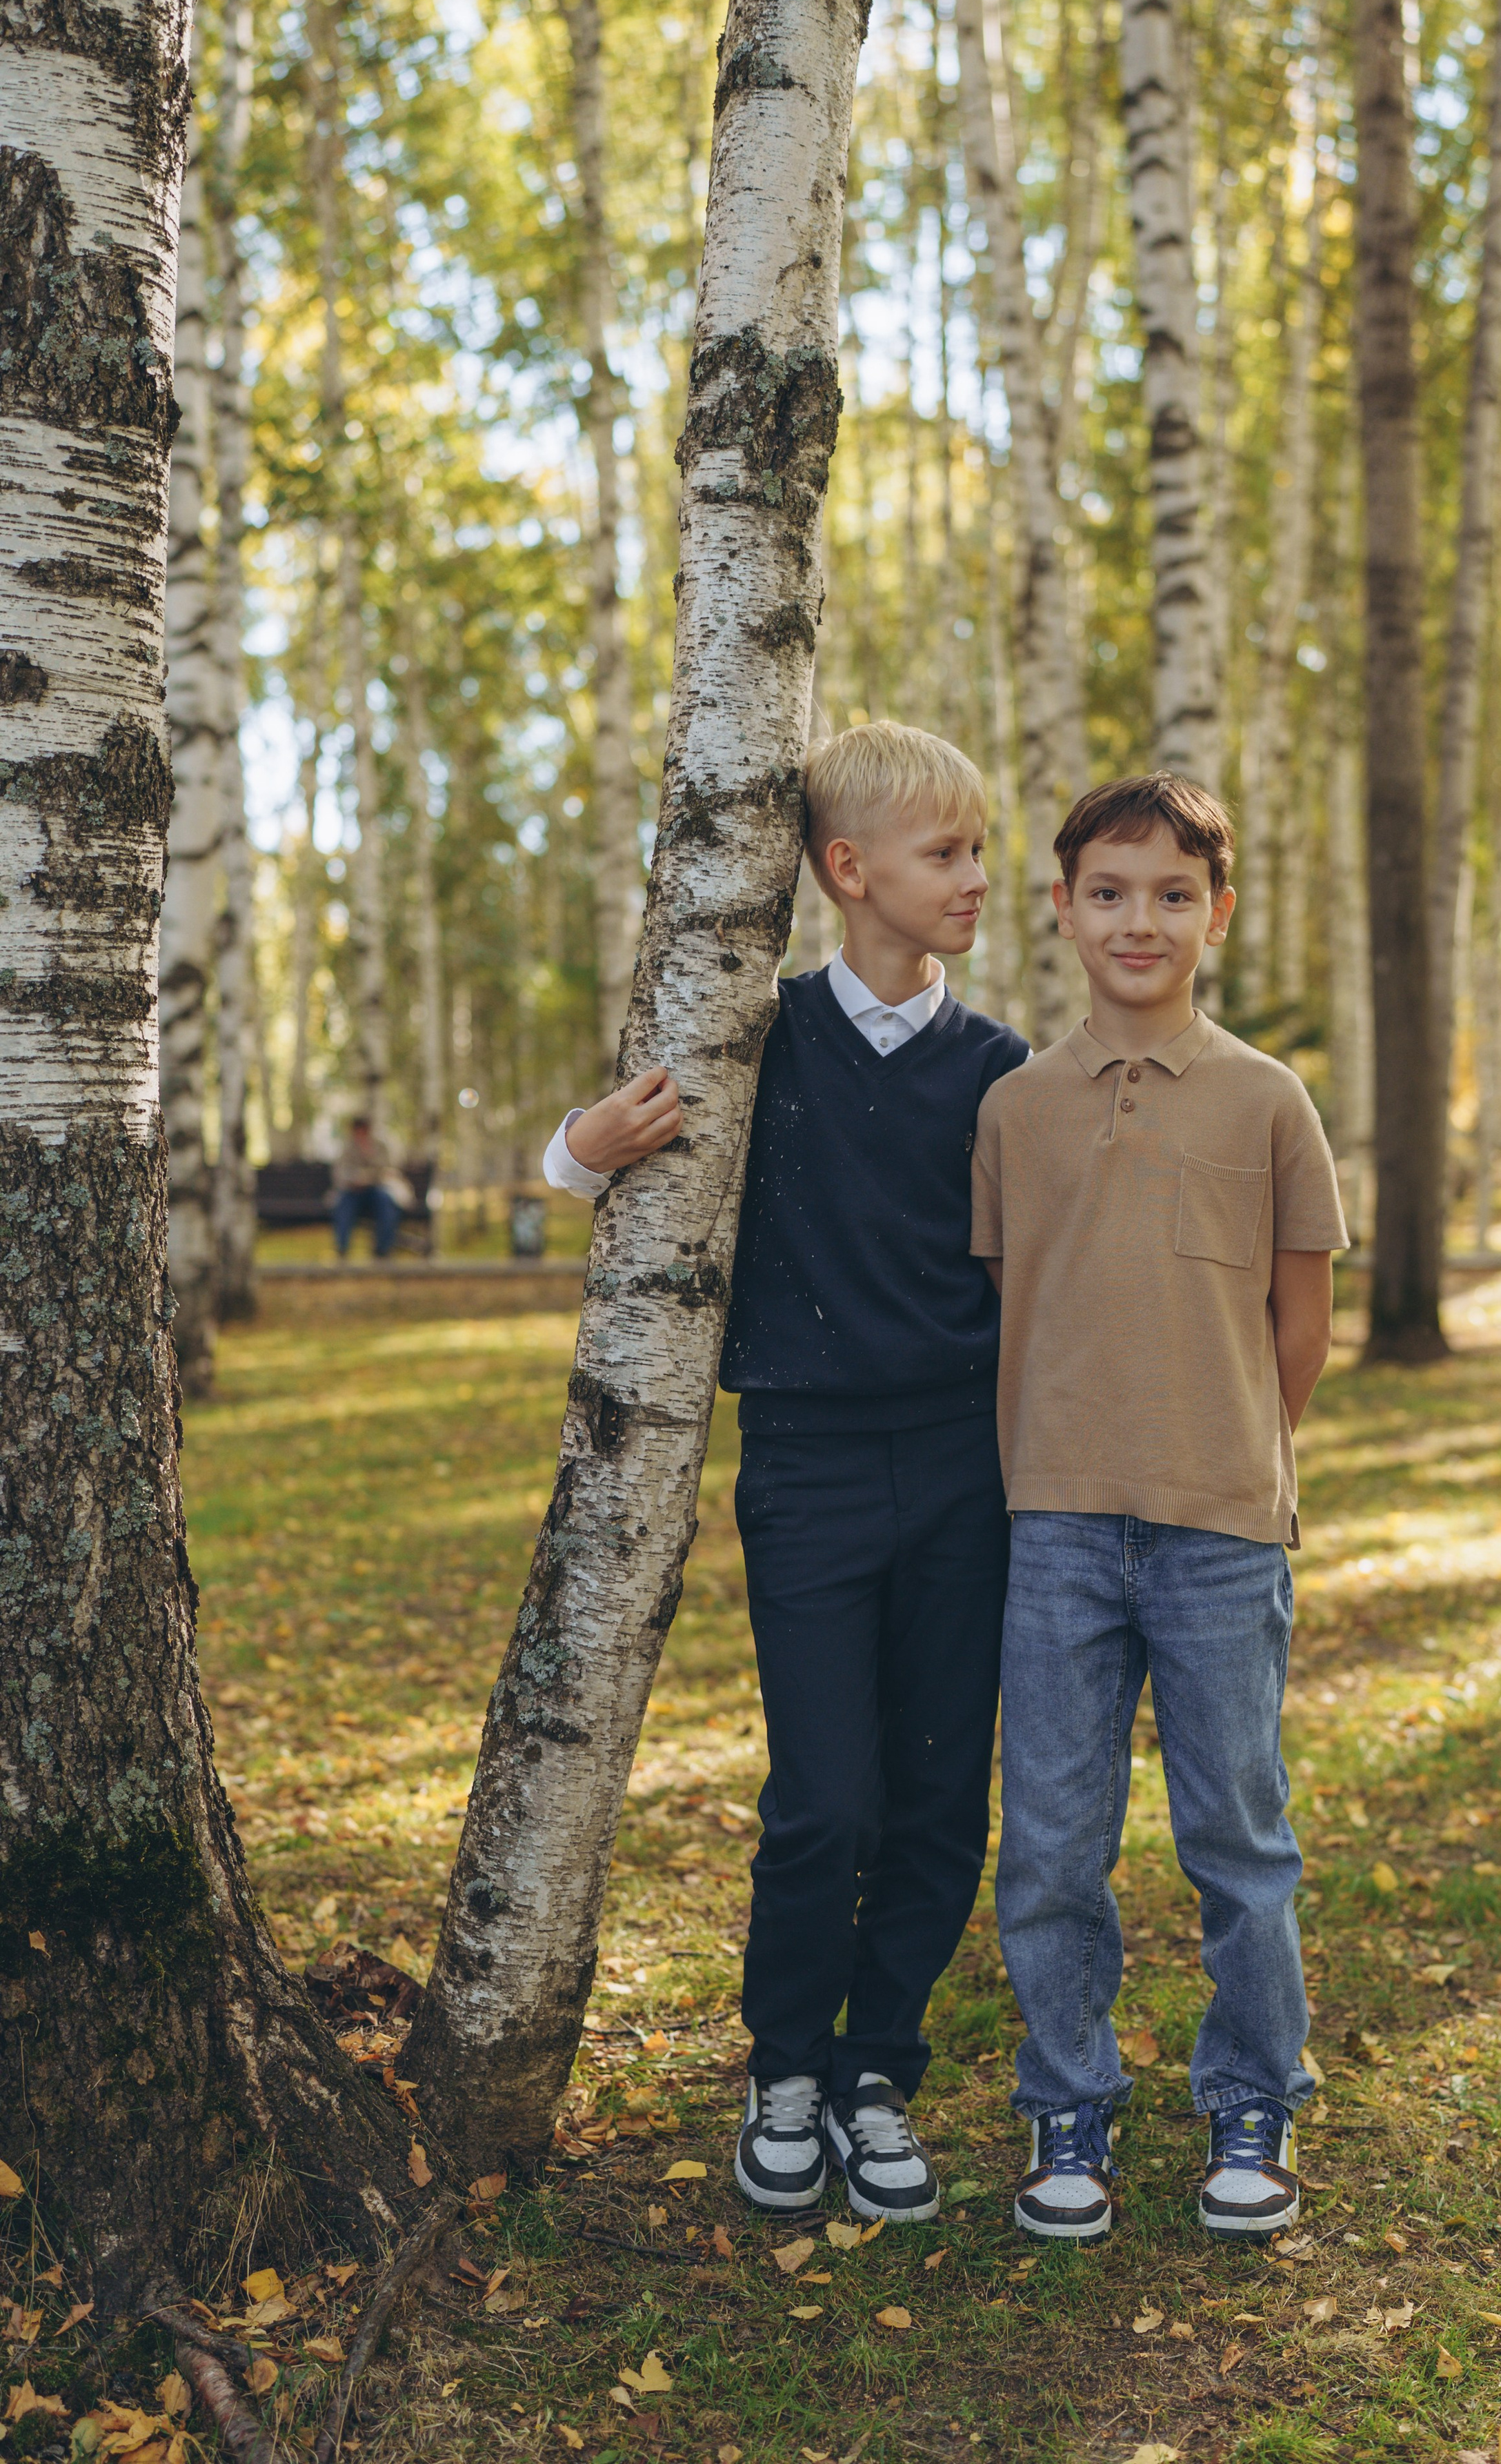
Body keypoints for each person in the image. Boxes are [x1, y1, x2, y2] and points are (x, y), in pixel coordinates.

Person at [543, 722, 1028, 2225]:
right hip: (807, 1467)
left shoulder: (999, 1069)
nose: (974, 881)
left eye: (978, 854)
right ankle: (787, 2070)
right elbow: (607, 1157)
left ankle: (879, 2069)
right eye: (944, 855)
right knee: (825, 1795)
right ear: (845, 871)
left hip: (966, 1468)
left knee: (943, 1793)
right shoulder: (758, 1041)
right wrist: (575, 1150)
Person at [970, 770, 1347, 2244]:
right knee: (1053, 1840)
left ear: (1216, 915)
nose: (1141, 919)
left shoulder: (1268, 1100)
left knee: (1236, 1838)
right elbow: (1019, 1312)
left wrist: (1223, 1456)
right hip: (1054, 1526)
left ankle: (1249, 2098)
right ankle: (1067, 2104)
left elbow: (1296, 1328)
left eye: (1172, 894)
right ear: (1060, 909)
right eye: (1109, 892)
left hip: (1218, 1531)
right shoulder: (1012, 1108)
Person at [331, 1116, 405, 1260]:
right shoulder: (346, 1149)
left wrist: (369, 1159)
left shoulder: (379, 1146)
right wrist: (354, 1180)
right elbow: (339, 1173)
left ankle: (382, 1251)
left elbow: (387, 1170)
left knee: (386, 1203)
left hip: (376, 1189)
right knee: (344, 1205)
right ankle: (342, 1249)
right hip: (353, 1191)